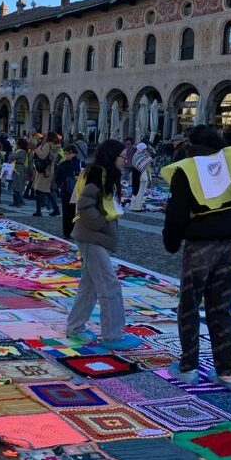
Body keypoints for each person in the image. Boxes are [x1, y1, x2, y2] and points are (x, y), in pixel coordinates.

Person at [162, 125, 231, 390]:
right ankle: (228, 372)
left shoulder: (186, 170)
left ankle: (188, 367)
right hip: (230, 245)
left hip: (200, 246)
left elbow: (176, 214)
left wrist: (171, 242)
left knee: (190, 306)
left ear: (191, 145)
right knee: (221, 307)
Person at [66, 139, 143, 350]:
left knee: (89, 286)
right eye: (122, 156)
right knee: (110, 286)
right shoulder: (98, 175)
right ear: (112, 156)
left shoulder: (104, 174)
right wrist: (101, 223)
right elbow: (84, 205)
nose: (125, 160)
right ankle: (113, 335)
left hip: (93, 237)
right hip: (92, 237)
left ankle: (75, 327)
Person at [55, 144, 81, 239]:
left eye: (67, 154)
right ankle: (69, 232)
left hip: (70, 191)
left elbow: (57, 178)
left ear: (73, 153)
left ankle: (69, 232)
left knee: (70, 212)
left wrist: (59, 186)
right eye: (65, 154)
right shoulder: (78, 163)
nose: (66, 156)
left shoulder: (73, 164)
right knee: (69, 212)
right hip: (69, 191)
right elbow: (57, 178)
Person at [32, 132, 60, 217]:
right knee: (47, 190)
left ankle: (38, 210)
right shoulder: (56, 146)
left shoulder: (47, 145)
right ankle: (55, 209)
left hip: (43, 170)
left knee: (39, 190)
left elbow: (42, 156)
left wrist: (37, 149)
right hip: (49, 169)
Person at [129, 142, 153, 211]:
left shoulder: (137, 155)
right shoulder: (139, 155)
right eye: (144, 149)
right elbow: (148, 161)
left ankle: (136, 207)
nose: (145, 150)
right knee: (139, 192)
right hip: (140, 177)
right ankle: (136, 207)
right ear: (141, 148)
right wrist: (148, 157)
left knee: (140, 193)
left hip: (141, 176)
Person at [9, 137, 28, 207]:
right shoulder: (20, 151)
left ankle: (19, 201)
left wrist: (12, 152)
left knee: (17, 185)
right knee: (15, 185)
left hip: (19, 168)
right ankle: (16, 201)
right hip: (17, 167)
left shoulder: (21, 151)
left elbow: (11, 157)